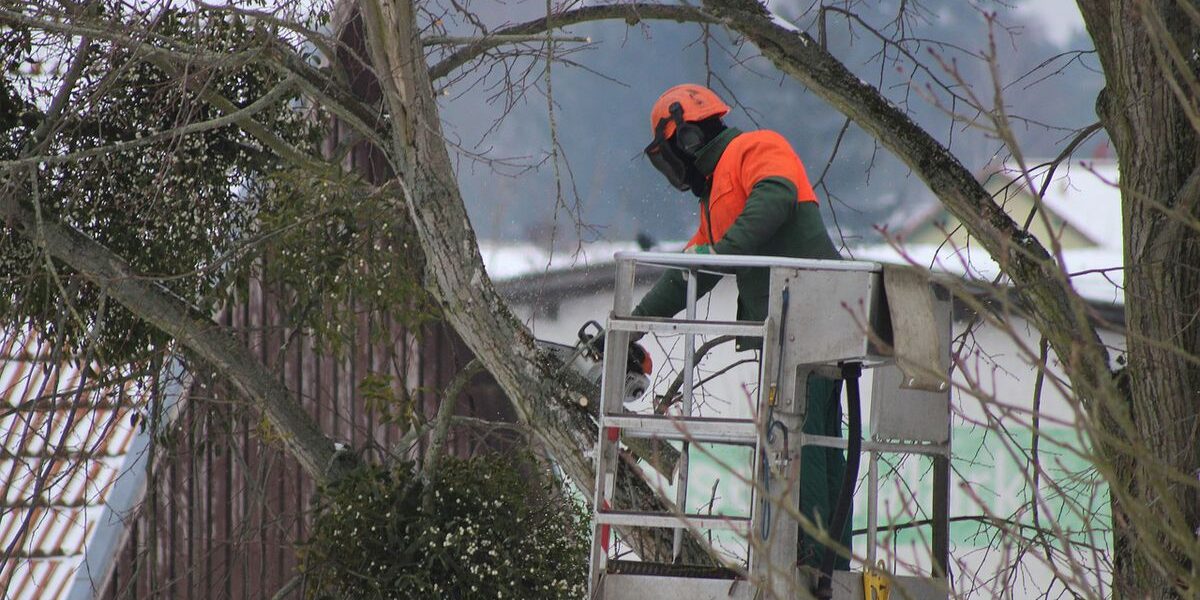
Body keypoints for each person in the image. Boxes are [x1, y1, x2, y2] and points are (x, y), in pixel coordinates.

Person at [634, 83, 851, 570]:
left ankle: (815, 563)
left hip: (815, 321)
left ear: (686, 139)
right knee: (800, 443)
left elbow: (775, 199)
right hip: (787, 333)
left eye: (671, 153)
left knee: (807, 445)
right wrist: (633, 324)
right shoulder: (715, 198)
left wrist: (722, 252)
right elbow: (693, 273)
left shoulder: (757, 147)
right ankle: (815, 556)